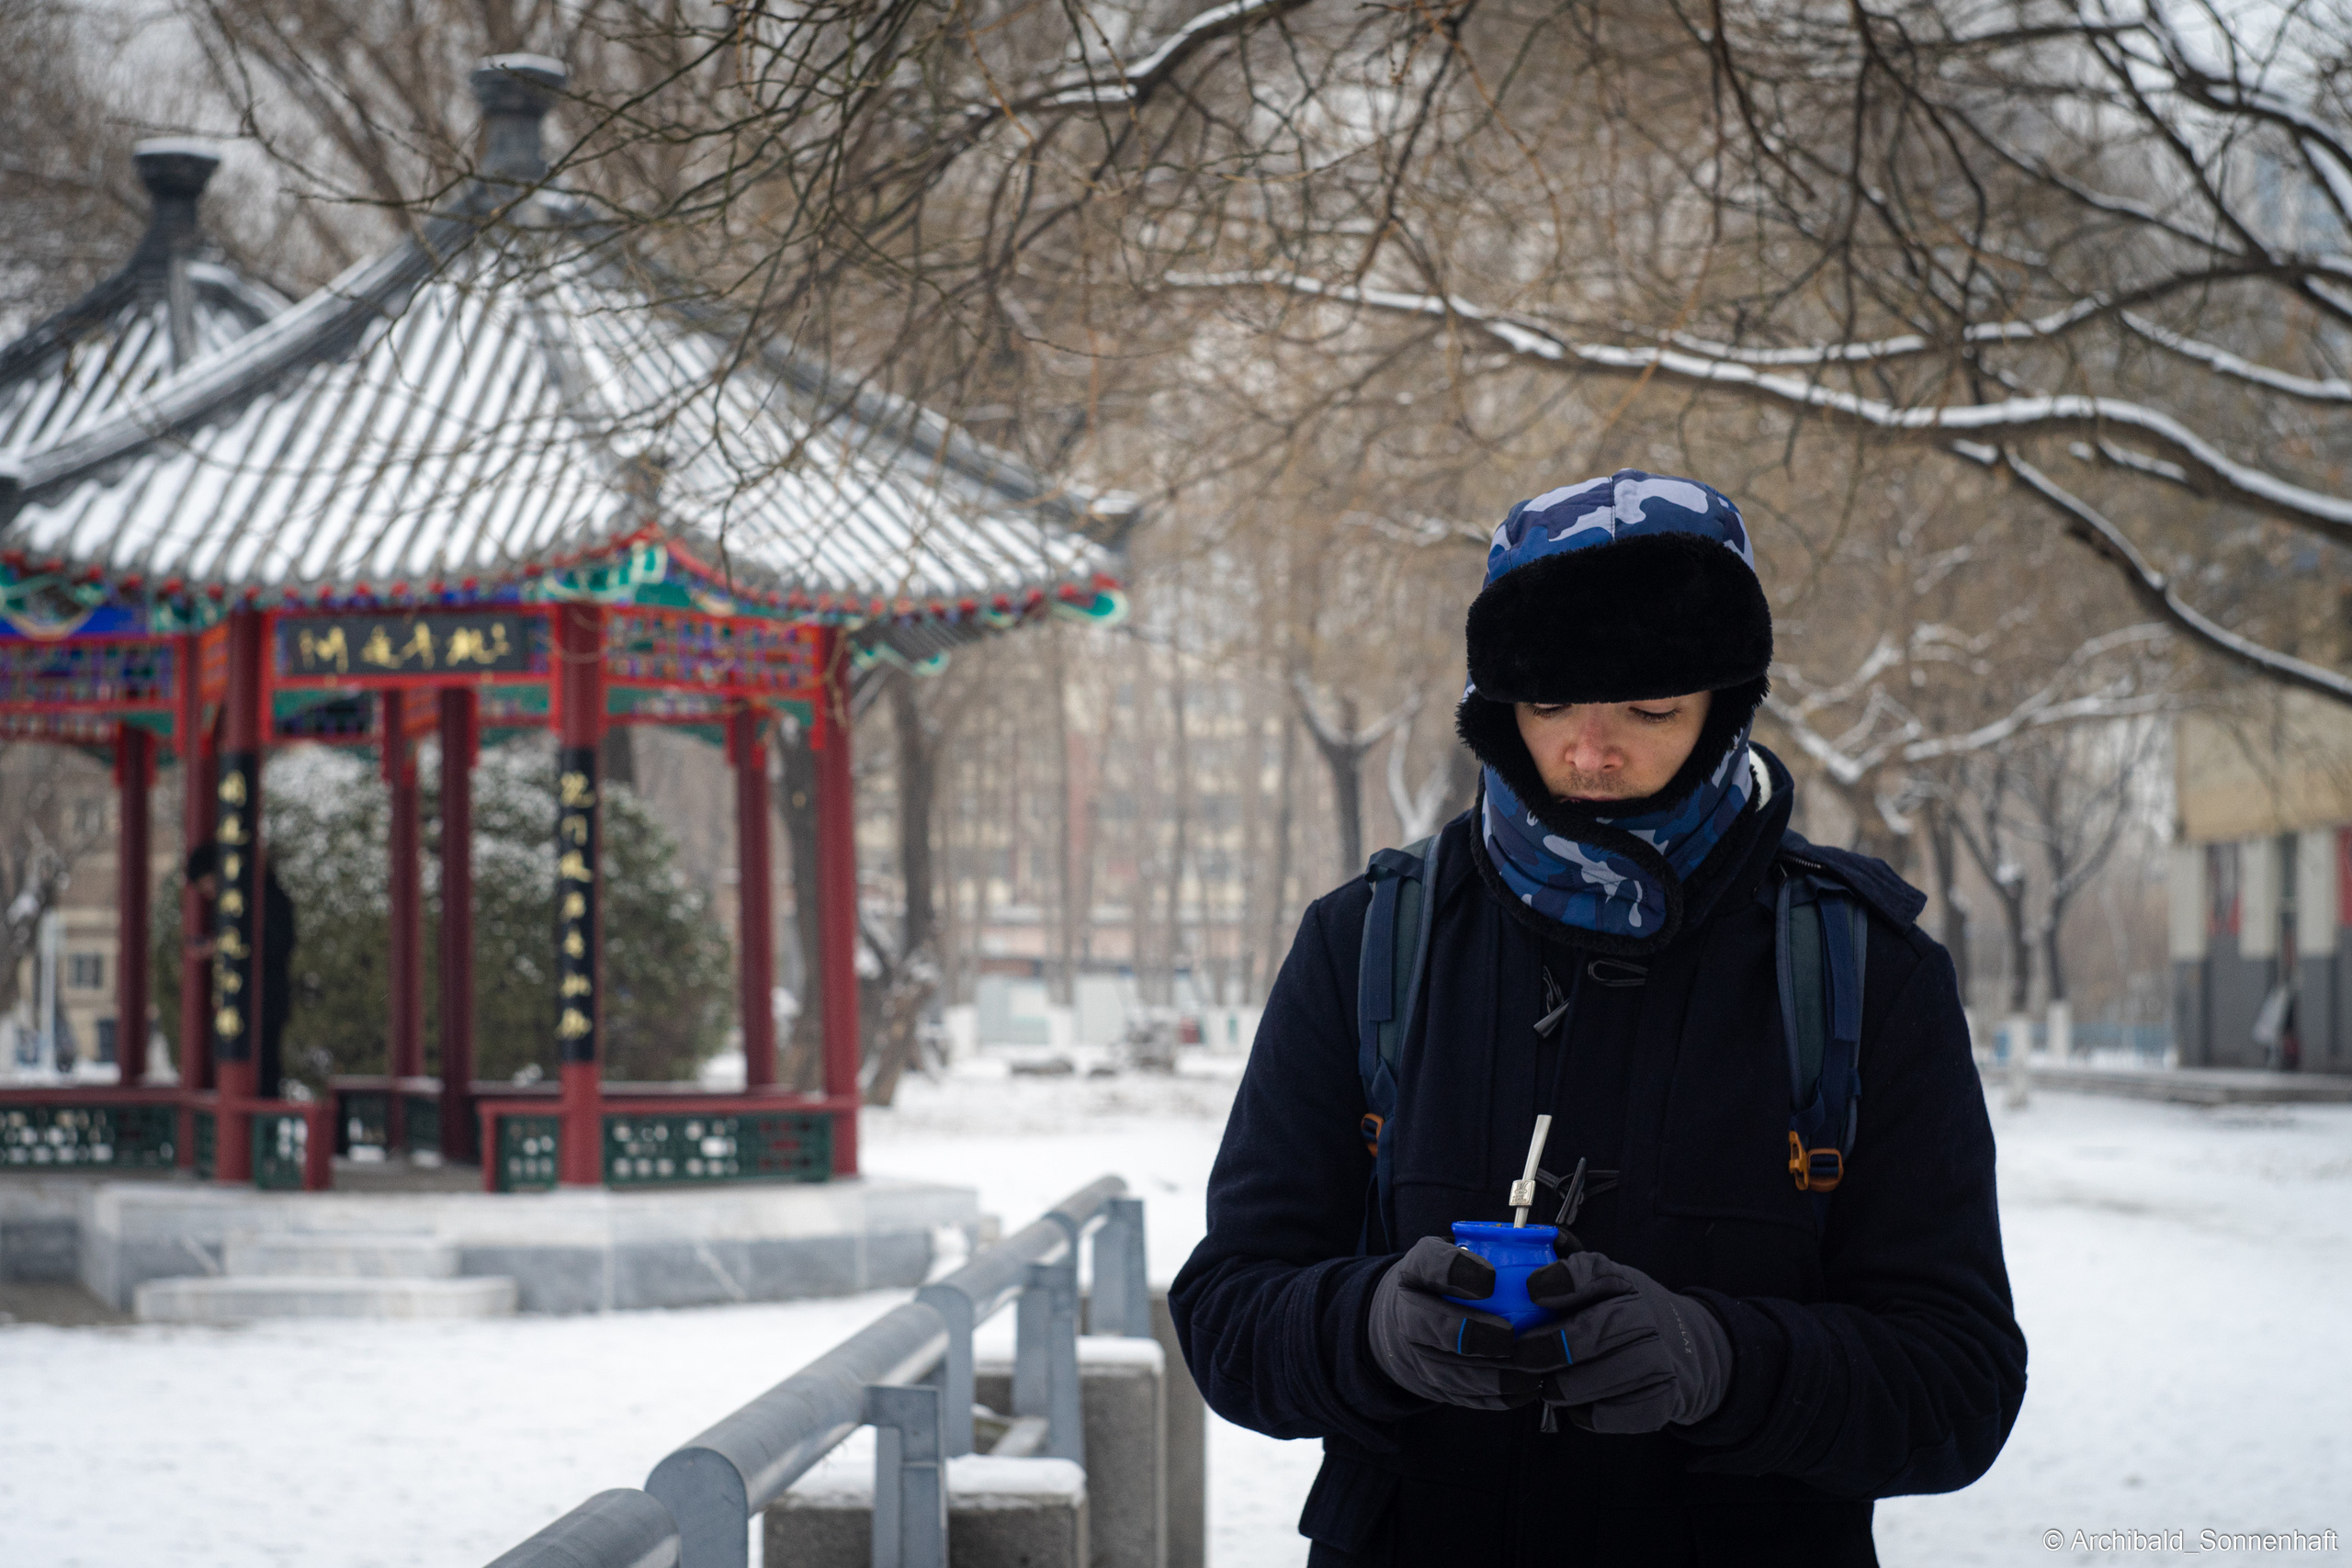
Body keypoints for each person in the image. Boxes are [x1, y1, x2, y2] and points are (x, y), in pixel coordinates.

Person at [1170, 471, 2026, 1566]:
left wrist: (1715, 1362)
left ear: (1726, 699)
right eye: (1549, 704)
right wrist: (1372, 1326)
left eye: (1649, 709)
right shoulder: (1366, 943)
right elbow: (1229, 1312)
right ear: (1497, 707)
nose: (1588, 751)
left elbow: (1960, 1384)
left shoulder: (1866, 968)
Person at [185, 841, 298, 1100]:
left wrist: (224, 945)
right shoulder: (241, 902)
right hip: (245, 1003)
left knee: (263, 1072)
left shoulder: (265, 897)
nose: (210, 893)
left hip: (263, 1001)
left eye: (210, 884)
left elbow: (275, 944)